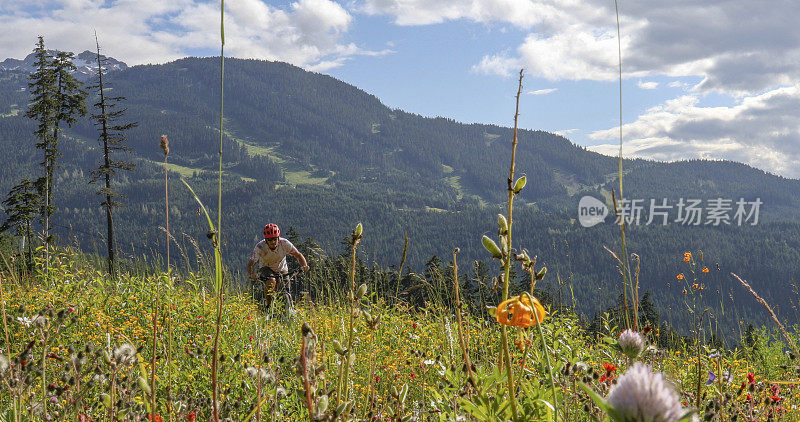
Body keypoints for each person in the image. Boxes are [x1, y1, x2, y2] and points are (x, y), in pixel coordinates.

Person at [247, 223, 310, 308]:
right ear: (266, 240)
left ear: (278, 238)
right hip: (266, 267)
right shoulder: (260, 247)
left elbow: (298, 255)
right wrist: (252, 273)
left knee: (286, 290)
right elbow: (251, 264)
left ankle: (287, 310)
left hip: (282, 268)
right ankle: (268, 306)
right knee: (271, 282)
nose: (273, 242)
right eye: (270, 240)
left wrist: (304, 265)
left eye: (274, 239)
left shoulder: (284, 243)